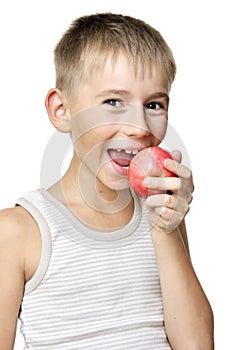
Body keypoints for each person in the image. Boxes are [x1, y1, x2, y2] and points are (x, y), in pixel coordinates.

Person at [0, 13, 214, 349]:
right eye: (113, 102)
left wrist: (166, 229)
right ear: (62, 110)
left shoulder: (162, 215)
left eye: (154, 104)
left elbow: (197, 345)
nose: (139, 126)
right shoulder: (17, 231)